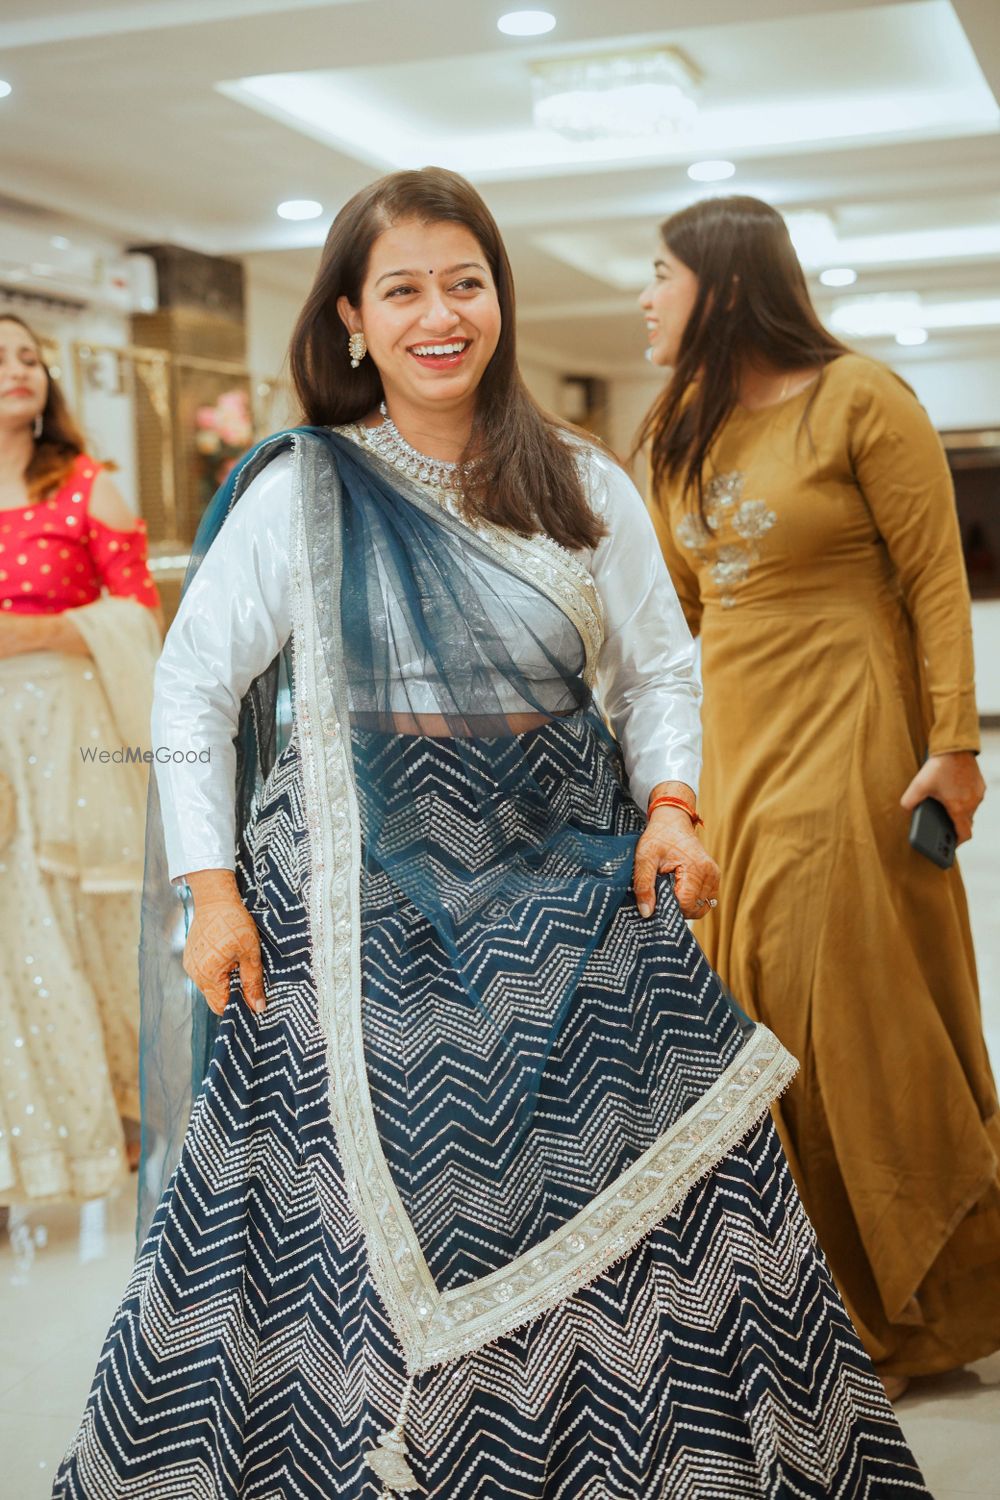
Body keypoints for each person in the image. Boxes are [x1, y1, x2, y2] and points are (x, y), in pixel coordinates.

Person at [55, 170, 926, 1498]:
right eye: (401, 289)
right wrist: (213, 887)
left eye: (464, 282)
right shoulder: (306, 490)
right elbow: (192, 683)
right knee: (342, 1213)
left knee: (647, 1186)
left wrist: (673, 808)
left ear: (501, 301)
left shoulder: (580, 485)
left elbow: (657, 670)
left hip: (570, 879)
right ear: (353, 317)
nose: (438, 314)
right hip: (348, 903)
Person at [638, 193, 1000, 1400]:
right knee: (750, 1006)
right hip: (736, 741)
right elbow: (676, 619)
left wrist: (953, 742)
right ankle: (820, 1307)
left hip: (853, 730)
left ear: (726, 283)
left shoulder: (860, 398)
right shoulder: (678, 430)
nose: (645, 296)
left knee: (845, 1002)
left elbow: (935, 580)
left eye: (661, 274)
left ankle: (915, 1311)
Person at [0, 314, 161, 1204]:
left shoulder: (85, 488)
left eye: (29, 356)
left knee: (59, 928)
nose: (18, 370)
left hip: (64, 741)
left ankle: (97, 1138)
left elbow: (140, 618)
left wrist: (41, 632)